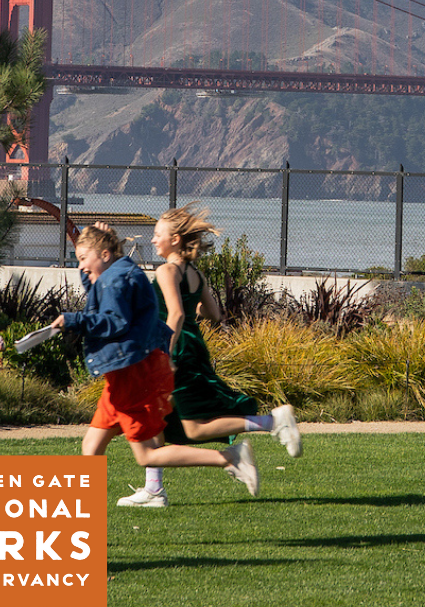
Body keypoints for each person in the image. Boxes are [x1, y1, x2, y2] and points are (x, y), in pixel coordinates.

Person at [51, 221, 260, 501]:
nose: (80, 267)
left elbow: (115, 320)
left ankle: (229, 457)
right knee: (91, 445)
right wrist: (98, 255)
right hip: (123, 375)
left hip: (130, 376)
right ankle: (90, 506)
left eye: (83, 259)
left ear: (104, 255)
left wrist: (73, 319)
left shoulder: (114, 279)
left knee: (147, 453)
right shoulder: (120, 271)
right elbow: (100, 295)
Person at [123, 206, 302, 509]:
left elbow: (177, 314)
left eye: (158, 235)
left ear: (175, 239)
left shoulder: (166, 270)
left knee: (193, 427)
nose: (153, 241)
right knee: (159, 419)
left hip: (174, 350)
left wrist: (166, 351)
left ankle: (271, 422)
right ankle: (153, 489)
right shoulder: (195, 274)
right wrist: (187, 313)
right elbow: (213, 313)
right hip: (194, 346)